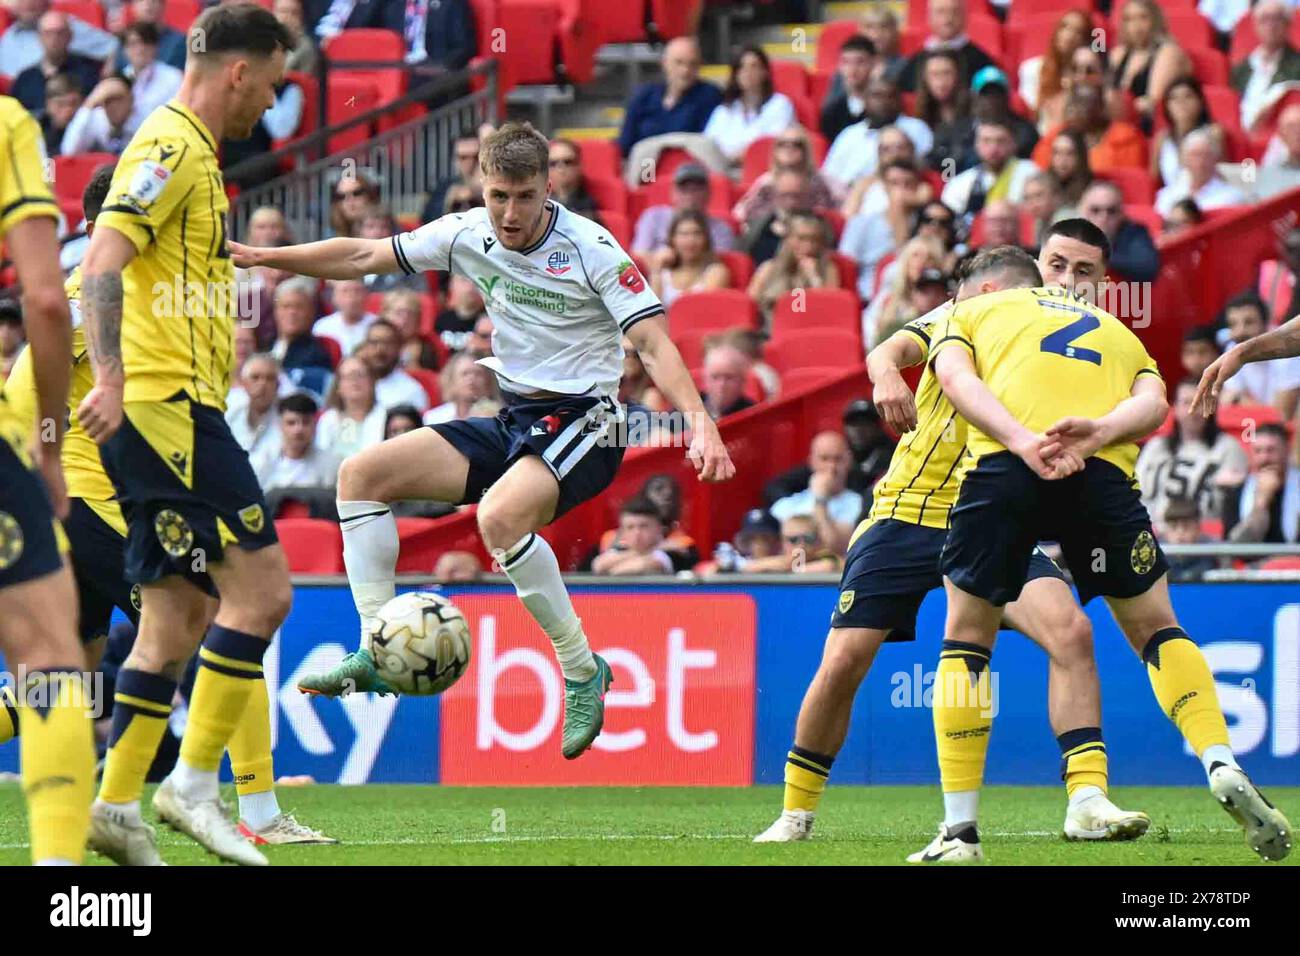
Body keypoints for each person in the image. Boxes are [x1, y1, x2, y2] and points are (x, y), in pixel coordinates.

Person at [230, 122, 736, 763]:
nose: (510, 212)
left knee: (498, 517)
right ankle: (378, 648)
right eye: (498, 195)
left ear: (549, 187)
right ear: (481, 187)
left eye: (524, 196)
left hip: (590, 421)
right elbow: (362, 257)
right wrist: (267, 257)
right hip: (516, 417)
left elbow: (654, 341)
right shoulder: (466, 232)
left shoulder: (592, 247)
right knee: (360, 476)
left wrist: (698, 419)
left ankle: (582, 670)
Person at [755, 234, 1150, 848]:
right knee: (845, 659)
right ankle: (796, 813)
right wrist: (886, 373)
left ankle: (1087, 799)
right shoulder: (960, 314)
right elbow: (891, 346)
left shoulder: (1035, 325)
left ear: (990, 291)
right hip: (908, 513)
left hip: (992, 515)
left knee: (1070, 632)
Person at [913, 239, 1290, 864]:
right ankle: (1219, 759)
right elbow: (1153, 405)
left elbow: (955, 379)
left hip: (1007, 470)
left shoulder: (971, 312)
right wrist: (1097, 434)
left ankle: (960, 833)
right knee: (1157, 630)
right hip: (1100, 474)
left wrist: (1020, 440)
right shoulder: (1114, 327)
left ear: (986, 287)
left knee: (966, 637)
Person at [74, 4, 303, 867]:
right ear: (238, 70)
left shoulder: (195, 157)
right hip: (167, 409)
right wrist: (109, 375)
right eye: (273, 84)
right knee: (264, 593)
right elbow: (101, 260)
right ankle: (192, 786)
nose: (273, 108)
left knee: (179, 613)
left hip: (171, 408)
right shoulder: (169, 147)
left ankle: (116, 805)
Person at [0, 82, 96, 869]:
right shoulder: (7, 122)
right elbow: (45, 296)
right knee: (48, 657)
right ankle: (61, 885)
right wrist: (49, 437)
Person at [1136, 377, 1248, 523]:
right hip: (1153, 533)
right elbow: (1136, 493)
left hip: (1205, 540)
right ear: (1174, 408)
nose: (1193, 409)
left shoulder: (1229, 448)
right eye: (1186, 402)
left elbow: (1230, 506)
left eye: (1200, 402)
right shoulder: (1156, 446)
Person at [618, 37, 723, 173]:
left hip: (689, 168)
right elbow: (625, 143)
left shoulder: (710, 95)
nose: (685, 71)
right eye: (679, 63)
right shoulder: (644, 96)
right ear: (665, 63)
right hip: (648, 165)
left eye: (693, 64)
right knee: (644, 183)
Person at [839, 160, 926, 303]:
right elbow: (846, 264)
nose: (901, 190)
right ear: (884, 187)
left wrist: (901, 218)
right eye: (894, 183)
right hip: (867, 299)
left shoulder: (926, 224)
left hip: (915, 299)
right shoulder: (861, 223)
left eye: (908, 184)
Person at [822, 77, 934, 189]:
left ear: (899, 101)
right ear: (865, 101)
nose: (884, 101)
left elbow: (926, 168)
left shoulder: (916, 128)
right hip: (846, 195)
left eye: (890, 96)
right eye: (877, 96)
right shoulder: (850, 134)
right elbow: (829, 175)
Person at [928, 65, 1038, 175]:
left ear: (1007, 97)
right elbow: (944, 170)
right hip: (963, 187)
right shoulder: (953, 129)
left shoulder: (1024, 131)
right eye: (985, 94)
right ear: (974, 96)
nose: (991, 100)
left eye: (997, 94)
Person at [768, 432, 864, 556]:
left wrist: (820, 500)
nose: (831, 466)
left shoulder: (860, 504)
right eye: (824, 459)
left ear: (849, 461)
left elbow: (836, 549)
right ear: (811, 461)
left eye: (838, 459)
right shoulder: (786, 505)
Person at [702, 45, 796, 167]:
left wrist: (738, 157)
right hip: (722, 170)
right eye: (741, 67)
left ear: (765, 72)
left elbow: (773, 145)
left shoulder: (780, 104)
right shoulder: (724, 110)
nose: (748, 72)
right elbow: (707, 145)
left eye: (754, 66)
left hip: (764, 169)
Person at [1108, 0, 1192, 132]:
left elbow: (1153, 101)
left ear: (1156, 21)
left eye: (1143, 17)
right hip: (1118, 123)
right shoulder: (1118, 54)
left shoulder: (1168, 52)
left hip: (1149, 125)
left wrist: (1115, 107)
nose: (1136, 25)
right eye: (1129, 19)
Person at [747, 209, 840, 325]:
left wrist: (815, 279)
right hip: (770, 329)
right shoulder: (768, 268)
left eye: (815, 240)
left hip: (810, 327)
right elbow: (749, 305)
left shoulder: (827, 269)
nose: (808, 246)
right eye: (801, 239)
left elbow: (831, 309)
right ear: (788, 239)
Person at [1212, 291, 1300, 412]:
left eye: (1249, 322)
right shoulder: (1233, 349)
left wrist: (1238, 399)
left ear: (1266, 325)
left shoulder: (1288, 352)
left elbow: (1281, 416)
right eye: (1233, 324)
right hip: (1253, 425)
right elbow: (1226, 406)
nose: (1240, 332)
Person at [733, 126, 841, 223]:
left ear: (807, 150)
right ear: (775, 150)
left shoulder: (824, 181)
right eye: (782, 144)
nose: (789, 148)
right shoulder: (766, 182)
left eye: (797, 145)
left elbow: (845, 209)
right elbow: (740, 213)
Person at [1033, 86, 1148, 176]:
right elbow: (1041, 176)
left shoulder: (1126, 138)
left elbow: (1132, 181)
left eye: (1083, 104)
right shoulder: (1054, 138)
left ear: (1101, 108)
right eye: (1073, 105)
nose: (1075, 111)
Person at [940, 118, 1037, 220]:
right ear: (976, 144)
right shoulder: (960, 183)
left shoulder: (1031, 173)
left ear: (1013, 143)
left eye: (1001, 141)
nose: (993, 148)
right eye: (986, 141)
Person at [631, 163, 735, 254]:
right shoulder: (653, 217)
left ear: (708, 193)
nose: (690, 195)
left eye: (697, 189)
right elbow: (639, 254)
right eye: (684, 189)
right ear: (673, 193)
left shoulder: (721, 230)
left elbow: (716, 263)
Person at [10, 10, 103, 112]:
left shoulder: (89, 71)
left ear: (70, 36)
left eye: (60, 33)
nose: (54, 38)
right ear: (39, 37)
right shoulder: (25, 79)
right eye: (48, 33)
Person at [1221, 423, 1300, 544]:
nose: (1264, 458)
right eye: (1258, 451)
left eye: (1271, 450)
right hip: (1254, 562)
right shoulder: (1236, 492)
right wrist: (1260, 504)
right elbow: (1236, 547)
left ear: (1286, 450)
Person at [897, 0, 997, 93]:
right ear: (929, 17)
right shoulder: (915, 61)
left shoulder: (982, 62)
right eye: (941, 12)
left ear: (965, 17)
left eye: (955, 12)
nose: (948, 19)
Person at [1231, 0, 1300, 131]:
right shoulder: (1241, 69)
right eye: (1265, 19)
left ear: (1288, 24)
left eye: (1277, 19)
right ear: (1255, 25)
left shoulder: (1298, 65)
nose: (1271, 26)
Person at [0, 0, 117, 77]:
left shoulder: (63, 26)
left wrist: (107, 76)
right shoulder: (9, 36)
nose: (27, 3)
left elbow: (115, 47)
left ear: (47, 3)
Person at [253, 393, 340, 494]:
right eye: (291, 423)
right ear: (280, 425)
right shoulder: (260, 463)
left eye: (306, 422)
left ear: (315, 425)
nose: (298, 430)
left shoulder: (332, 466)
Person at [737, 167, 824, 267]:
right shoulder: (758, 226)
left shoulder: (821, 227)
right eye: (785, 195)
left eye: (796, 196)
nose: (791, 203)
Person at [647, 209, 730, 310]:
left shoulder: (716, 271)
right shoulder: (662, 272)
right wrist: (656, 269)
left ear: (705, 239)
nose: (691, 240)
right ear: (673, 239)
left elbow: (700, 310)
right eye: (683, 234)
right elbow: (652, 313)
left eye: (697, 233)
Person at [1079, 180, 1159, 283]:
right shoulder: (1068, 233)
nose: (1103, 218)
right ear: (1082, 212)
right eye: (1095, 210)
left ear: (1122, 214)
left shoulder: (1134, 232)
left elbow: (1148, 267)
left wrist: (1098, 257)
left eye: (1111, 211)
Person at [1156, 128, 1248, 218]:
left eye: (1206, 155)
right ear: (1183, 160)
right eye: (1194, 155)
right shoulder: (1167, 196)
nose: (1200, 162)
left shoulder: (1232, 198)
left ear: (1216, 159)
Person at [1019, 9, 1091, 121]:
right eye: (1064, 27)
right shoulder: (1032, 69)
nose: (1069, 36)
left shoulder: (1087, 76)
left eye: (1078, 32)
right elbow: (1030, 115)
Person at [1152, 78, 1224, 188]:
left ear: (1200, 102)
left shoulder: (1213, 133)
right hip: (1173, 198)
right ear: (1166, 106)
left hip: (1206, 196)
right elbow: (1153, 180)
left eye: (1188, 97)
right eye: (1174, 99)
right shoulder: (1161, 139)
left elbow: (1222, 172)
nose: (1181, 103)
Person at [315, 354, 386, 460]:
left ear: (372, 381)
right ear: (338, 386)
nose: (354, 381)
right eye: (348, 376)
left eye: (359, 375)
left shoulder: (386, 417)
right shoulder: (328, 420)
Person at [590, 497, 677, 576]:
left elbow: (643, 565)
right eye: (630, 527)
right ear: (622, 532)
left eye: (644, 526)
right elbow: (598, 565)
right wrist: (642, 552)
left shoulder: (671, 553)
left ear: (659, 529)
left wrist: (612, 570)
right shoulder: (618, 550)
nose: (637, 533)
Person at [120, 21, 183, 128]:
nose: (140, 50)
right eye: (133, 44)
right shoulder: (119, 79)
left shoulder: (173, 77)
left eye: (146, 43)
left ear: (156, 47)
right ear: (124, 50)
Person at [269, 277, 335, 378]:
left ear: (311, 312)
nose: (292, 313)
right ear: (276, 311)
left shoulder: (318, 354)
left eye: (298, 307)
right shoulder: (264, 346)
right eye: (286, 306)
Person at [363, 318, 431, 412]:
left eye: (387, 343)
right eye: (374, 342)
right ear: (365, 347)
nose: (380, 349)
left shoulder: (411, 391)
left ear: (399, 348)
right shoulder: (351, 386)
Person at [225, 352, 284, 463]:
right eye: (255, 377)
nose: (262, 384)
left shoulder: (286, 418)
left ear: (278, 385)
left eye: (270, 378)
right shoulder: (229, 410)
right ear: (244, 383)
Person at [739, 515, 844, 574]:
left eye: (808, 538)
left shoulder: (828, 557)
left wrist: (788, 568)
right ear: (782, 543)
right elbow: (748, 568)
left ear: (819, 541)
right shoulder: (779, 560)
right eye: (793, 540)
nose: (801, 545)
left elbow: (828, 566)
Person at [60, 75, 135, 155]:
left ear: (130, 99)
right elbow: (68, 151)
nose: (113, 106)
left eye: (118, 99)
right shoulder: (99, 118)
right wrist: (89, 104)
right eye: (108, 101)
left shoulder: (143, 119)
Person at [820, 35, 876, 143]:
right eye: (846, 62)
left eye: (860, 62)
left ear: (873, 64)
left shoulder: (883, 108)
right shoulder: (832, 112)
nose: (852, 69)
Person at [423, 350, 496, 424]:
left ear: (488, 380)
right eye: (465, 373)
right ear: (451, 380)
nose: (471, 378)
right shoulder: (434, 418)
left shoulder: (497, 417)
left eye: (478, 373)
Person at [422, 132, 480, 224]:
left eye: (476, 157)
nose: (471, 163)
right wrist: (448, 200)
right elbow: (426, 219)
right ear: (455, 160)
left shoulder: (497, 186)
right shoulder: (445, 186)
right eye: (463, 157)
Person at [115, 0, 188, 72]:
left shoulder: (179, 42)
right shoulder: (124, 40)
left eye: (154, 0)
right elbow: (118, 76)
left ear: (163, 5)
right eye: (141, 0)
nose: (148, 4)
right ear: (133, 6)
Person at [314, 277, 377, 358]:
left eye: (357, 291)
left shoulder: (376, 325)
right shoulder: (322, 327)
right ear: (334, 297)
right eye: (345, 291)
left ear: (366, 295)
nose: (351, 297)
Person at [913, 50, 971, 136]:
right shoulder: (918, 117)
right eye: (934, 74)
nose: (941, 82)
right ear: (924, 79)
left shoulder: (974, 108)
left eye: (947, 73)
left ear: (958, 75)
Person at [547, 138, 601, 222]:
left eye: (568, 162)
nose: (561, 168)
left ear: (579, 166)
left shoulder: (589, 207)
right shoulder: (535, 204)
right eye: (553, 163)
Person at [699, 342, 756, 419]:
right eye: (715, 377)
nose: (722, 384)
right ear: (705, 379)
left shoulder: (752, 413)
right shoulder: (686, 409)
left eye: (729, 378)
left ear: (742, 381)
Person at [1045, 127, 1093, 214]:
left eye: (1069, 153)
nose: (1062, 160)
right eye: (1057, 153)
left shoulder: (1091, 191)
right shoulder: (1043, 186)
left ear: (1081, 157)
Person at [435, 273, 486, 354]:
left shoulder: (489, 323)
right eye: (464, 280)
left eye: (476, 281)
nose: (471, 286)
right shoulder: (440, 321)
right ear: (451, 285)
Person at [37, 72, 83, 156]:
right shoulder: (36, 129)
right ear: (48, 105)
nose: (68, 110)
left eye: (74, 104)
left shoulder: (86, 127)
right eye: (61, 104)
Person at [329, 172, 381, 238]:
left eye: (356, 193)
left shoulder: (387, 229)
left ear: (369, 195)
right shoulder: (332, 236)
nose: (349, 200)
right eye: (341, 196)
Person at [274, 0, 319, 75]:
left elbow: (305, 82)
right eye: (283, 11)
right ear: (273, 13)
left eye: (294, 13)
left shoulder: (306, 47)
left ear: (301, 17)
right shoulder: (265, 40)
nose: (288, 17)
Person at [1022, 171, 1066, 247]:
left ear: (1056, 196)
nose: (1033, 203)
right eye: (1028, 198)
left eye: (1038, 196)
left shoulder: (1066, 220)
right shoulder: (1039, 222)